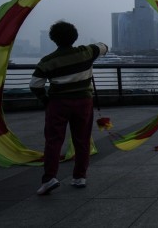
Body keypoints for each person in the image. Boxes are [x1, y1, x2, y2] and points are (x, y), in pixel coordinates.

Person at [29, 21, 108, 195]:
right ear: (75, 36)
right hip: (84, 102)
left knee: (54, 141)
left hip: (58, 103)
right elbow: (104, 46)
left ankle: (49, 178)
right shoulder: (87, 52)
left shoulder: (47, 61)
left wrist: (46, 100)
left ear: (53, 39)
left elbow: (35, 84)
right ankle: (79, 177)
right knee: (82, 140)